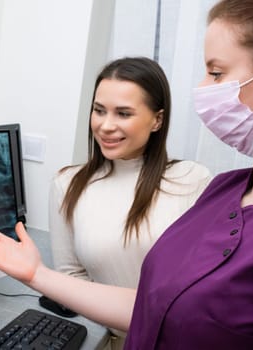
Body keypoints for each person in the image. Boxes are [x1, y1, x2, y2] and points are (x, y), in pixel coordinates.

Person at [0, 0, 253, 348]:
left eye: (216, 73)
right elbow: (154, 309)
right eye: (99, 110)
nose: (201, 89)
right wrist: (37, 275)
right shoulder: (224, 190)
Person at [48, 57, 211, 348]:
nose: (106, 125)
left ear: (157, 120)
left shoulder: (192, 180)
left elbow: (204, 283)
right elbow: (69, 277)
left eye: (123, 113)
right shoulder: (67, 184)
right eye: (99, 111)